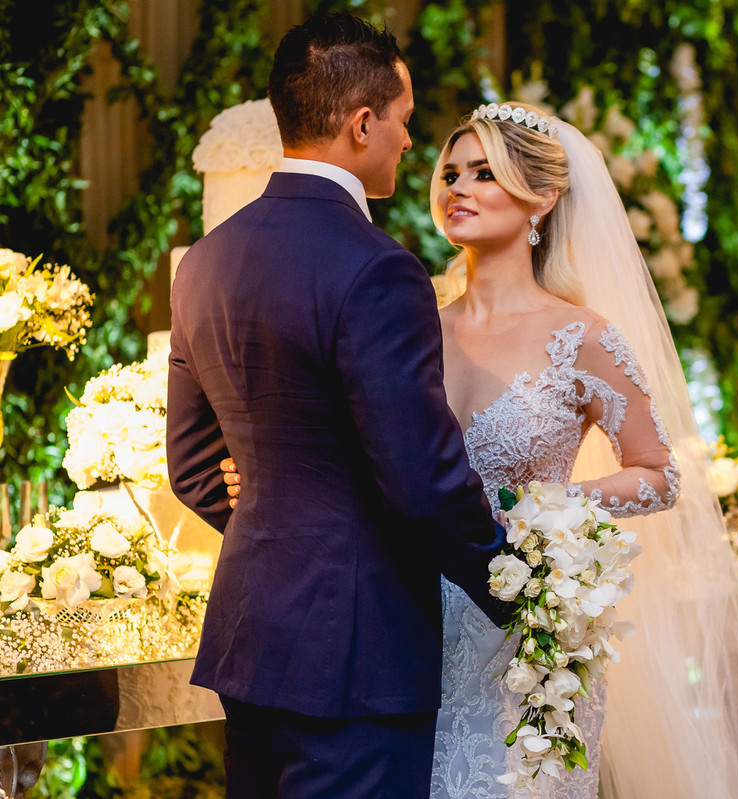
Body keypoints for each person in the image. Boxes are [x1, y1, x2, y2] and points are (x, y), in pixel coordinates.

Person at [227, 100, 738, 798]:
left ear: (542, 198)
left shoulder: (583, 337)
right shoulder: (410, 324)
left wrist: (551, 509)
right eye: (450, 173)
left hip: (524, 634)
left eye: (484, 173)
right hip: (399, 627)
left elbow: (660, 475)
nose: (458, 188)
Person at [165, 14, 507, 799]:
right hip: (359, 654)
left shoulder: (204, 263)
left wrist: (287, 530)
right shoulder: (380, 269)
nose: (410, 142)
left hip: (252, 636)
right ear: (361, 123)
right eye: (403, 121)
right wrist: (513, 580)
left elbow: (190, 466)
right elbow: (421, 479)